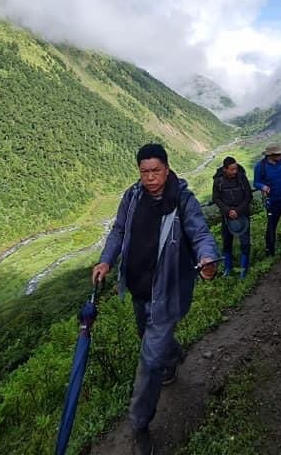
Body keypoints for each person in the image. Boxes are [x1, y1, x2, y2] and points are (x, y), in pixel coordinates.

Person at [92, 143, 219, 455]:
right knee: (148, 338)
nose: (150, 178)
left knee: (149, 362)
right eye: (144, 172)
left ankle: (139, 426)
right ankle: (172, 356)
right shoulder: (132, 196)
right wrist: (106, 260)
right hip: (138, 288)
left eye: (156, 171)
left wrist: (208, 258)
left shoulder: (183, 200)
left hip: (166, 293)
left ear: (167, 168)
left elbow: (200, 233)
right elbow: (119, 231)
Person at [211, 156, 254, 278]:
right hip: (227, 216)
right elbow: (216, 198)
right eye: (232, 169)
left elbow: (248, 196)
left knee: (245, 242)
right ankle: (227, 268)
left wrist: (238, 211)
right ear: (225, 169)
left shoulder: (241, 178)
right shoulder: (218, 181)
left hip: (242, 215)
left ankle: (243, 269)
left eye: (236, 168)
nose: (235, 171)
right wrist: (228, 210)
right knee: (227, 242)